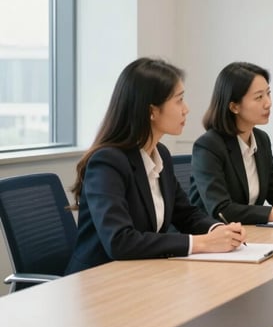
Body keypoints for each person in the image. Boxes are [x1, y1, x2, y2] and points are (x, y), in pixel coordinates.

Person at [66, 58, 246, 274]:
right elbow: (119, 241)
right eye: (179, 100)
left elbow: (185, 213)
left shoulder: (160, 154)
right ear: (152, 111)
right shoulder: (107, 162)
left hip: (142, 273)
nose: (186, 109)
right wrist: (202, 243)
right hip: (99, 282)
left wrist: (219, 230)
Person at [190, 62, 273, 224]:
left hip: (249, 234)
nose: (268, 103)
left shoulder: (261, 139)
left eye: (268, 93)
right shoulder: (208, 146)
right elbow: (222, 210)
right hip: (213, 237)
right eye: (259, 97)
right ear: (234, 106)